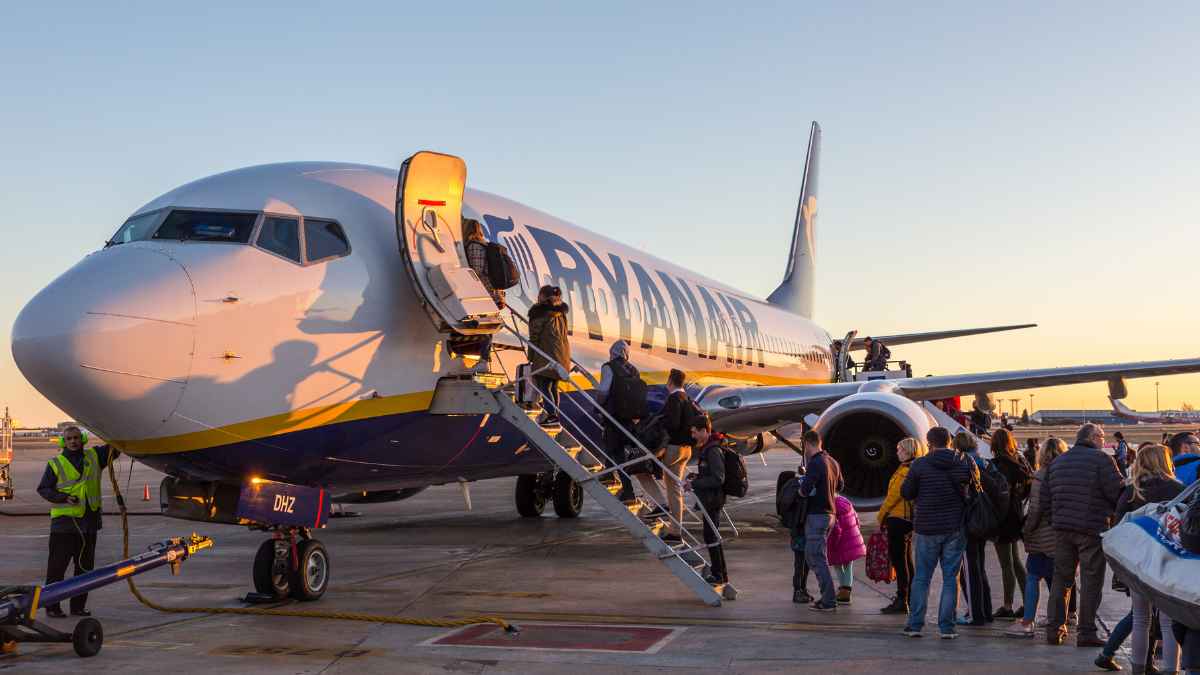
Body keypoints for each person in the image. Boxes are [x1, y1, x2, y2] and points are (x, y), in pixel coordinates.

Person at [1043, 423, 1124, 647]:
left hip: (1062, 529)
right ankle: (1086, 632)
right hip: (1092, 528)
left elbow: (1045, 499)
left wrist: (1055, 521)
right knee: (1091, 581)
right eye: (1102, 437)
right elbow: (1117, 493)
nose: (1104, 441)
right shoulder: (1102, 460)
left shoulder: (1058, 462)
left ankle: (1054, 628)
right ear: (1094, 437)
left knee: (1061, 579)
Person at [1115, 444, 1185, 674]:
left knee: (1140, 618)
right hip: (1168, 561)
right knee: (1169, 620)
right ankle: (1171, 670)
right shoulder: (1178, 489)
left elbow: (1118, 525)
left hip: (1137, 560)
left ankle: (1138, 669)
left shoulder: (1132, 490)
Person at [36, 426, 119, 618]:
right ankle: (52, 607)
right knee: (57, 569)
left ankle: (78, 607)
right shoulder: (56, 463)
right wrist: (63, 497)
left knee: (84, 570)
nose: (73, 441)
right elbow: (43, 489)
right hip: (64, 526)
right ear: (63, 442)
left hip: (89, 524)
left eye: (76, 438)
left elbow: (114, 448)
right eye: (69, 439)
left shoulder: (94, 457)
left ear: (82, 439)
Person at [900, 426, 974, 639]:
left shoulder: (920, 464)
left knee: (922, 577)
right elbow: (973, 490)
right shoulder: (964, 462)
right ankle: (947, 628)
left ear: (929, 443)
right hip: (954, 527)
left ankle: (915, 625)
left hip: (926, 527)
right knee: (951, 578)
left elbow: (906, 493)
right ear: (949, 442)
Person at [1006, 437, 1069, 637]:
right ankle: (1058, 620)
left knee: (1033, 576)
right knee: (1056, 580)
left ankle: (1027, 621)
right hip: (1062, 534)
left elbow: (1035, 509)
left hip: (1042, 534)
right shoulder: (1067, 475)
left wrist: (1027, 530)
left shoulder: (1041, 477)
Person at [989, 428, 1033, 619]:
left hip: (1001, 517)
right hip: (1015, 514)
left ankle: (1008, 606)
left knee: (1006, 563)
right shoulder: (1018, 463)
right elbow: (1026, 489)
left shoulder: (995, 466)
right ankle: (1028, 602)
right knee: (1015, 561)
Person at [594, 339, 644, 502]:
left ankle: (628, 491)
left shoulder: (608, 367)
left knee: (617, 452)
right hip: (629, 418)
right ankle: (609, 475)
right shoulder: (634, 370)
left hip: (613, 416)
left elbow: (603, 391)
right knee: (614, 447)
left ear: (612, 353)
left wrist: (598, 406)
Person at [878, 437, 924, 614]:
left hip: (898, 519)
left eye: (900, 449)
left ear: (907, 451)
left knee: (899, 560)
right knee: (906, 560)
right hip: (906, 520)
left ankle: (901, 599)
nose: (897, 452)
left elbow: (893, 497)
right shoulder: (912, 468)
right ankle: (909, 597)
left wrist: (881, 516)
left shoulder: (905, 470)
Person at [800, 429, 844, 612]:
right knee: (817, 556)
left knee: (815, 558)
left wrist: (802, 486)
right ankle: (827, 598)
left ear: (807, 444)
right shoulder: (832, 461)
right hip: (830, 514)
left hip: (817, 515)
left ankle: (828, 600)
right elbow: (840, 485)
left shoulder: (815, 463)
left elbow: (804, 490)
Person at [952, 431, 992, 626]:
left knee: (969, 571)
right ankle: (986, 610)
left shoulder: (964, 464)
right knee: (979, 568)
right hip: (983, 520)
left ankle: (976, 614)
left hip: (969, 522)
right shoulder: (985, 463)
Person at [684, 414, 727, 585]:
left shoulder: (713, 451)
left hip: (713, 500)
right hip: (709, 499)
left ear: (704, 431)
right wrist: (696, 477)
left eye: (695, 432)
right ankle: (720, 574)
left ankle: (719, 575)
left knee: (711, 537)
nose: (693, 435)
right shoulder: (707, 448)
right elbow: (709, 474)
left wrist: (694, 484)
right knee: (711, 537)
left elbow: (718, 478)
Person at [462, 219, 505, 368]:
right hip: (493, 292)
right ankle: (484, 359)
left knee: (485, 327)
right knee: (488, 327)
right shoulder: (485, 245)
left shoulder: (474, 246)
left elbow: (477, 270)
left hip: (485, 291)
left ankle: (484, 359)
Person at [661, 369, 697, 542]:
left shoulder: (674, 398)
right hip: (686, 449)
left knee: (642, 468)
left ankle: (659, 506)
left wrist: (660, 421)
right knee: (675, 488)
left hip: (674, 448)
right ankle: (675, 530)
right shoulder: (688, 398)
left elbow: (673, 424)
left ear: (670, 381)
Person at [527, 285, 570, 425]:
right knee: (553, 386)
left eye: (539, 295)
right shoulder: (561, 313)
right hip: (562, 354)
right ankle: (554, 415)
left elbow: (534, 336)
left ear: (542, 296)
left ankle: (552, 415)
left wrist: (531, 356)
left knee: (544, 385)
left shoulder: (540, 313)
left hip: (546, 354)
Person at [827, 494, 866, 605]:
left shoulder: (832, 506)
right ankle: (846, 590)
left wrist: (832, 544)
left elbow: (836, 529)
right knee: (849, 565)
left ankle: (844, 592)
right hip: (852, 538)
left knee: (837, 565)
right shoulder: (846, 501)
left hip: (840, 541)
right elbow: (857, 519)